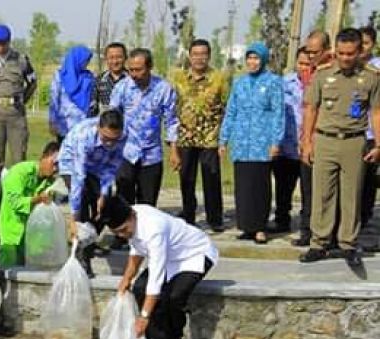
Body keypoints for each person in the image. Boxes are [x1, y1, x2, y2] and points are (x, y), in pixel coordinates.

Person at [102, 195, 218, 339]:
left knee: (173, 297)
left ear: (132, 217)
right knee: (139, 289)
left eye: (124, 230)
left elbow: (156, 277)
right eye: (117, 233)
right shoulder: (132, 221)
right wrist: (127, 278)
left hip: (194, 254)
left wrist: (144, 317)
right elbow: (137, 251)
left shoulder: (153, 228)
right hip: (170, 256)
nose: (123, 235)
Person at [299, 28, 380, 266]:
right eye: (341, 53)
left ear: (359, 51)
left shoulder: (371, 77)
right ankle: (319, 243)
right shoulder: (323, 74)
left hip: (354, 141)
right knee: (322, 193)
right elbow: (310, 109)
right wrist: (306, 142)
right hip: (325, 140)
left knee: (351, 194)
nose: (345, 58)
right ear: (335, 51)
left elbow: (376, 112)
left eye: (350, 53)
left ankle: (347, 244)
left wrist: (378, 143)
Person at [219, 42, 284, 245]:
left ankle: (260, 227)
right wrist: (223, 139)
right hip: (242, 143)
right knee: (243, 187)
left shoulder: (273, 82)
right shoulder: (239, 83)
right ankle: (247, 226)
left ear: (263, 60)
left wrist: (276, 141)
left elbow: (278, 113)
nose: (252, 62)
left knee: (259, 187)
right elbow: (231, 111)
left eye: (256, 58)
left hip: (261, 142)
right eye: (249, 58)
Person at [57, 109, 129, 278]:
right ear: (98, 128)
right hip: (72, 165)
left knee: (105, 209)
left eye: (114, 140)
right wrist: (74, 217)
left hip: (100, 169)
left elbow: (112, 166)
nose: (110, 144)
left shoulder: (123, 135)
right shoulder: (84, 136)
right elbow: (78, 178)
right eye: (106, 139)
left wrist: (103, 194)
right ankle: (83, 259)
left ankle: (87, 240)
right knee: (82, 203)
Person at [110, 48, 180, 209]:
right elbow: (112, 117)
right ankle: (124, 234)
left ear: (150, 67)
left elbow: (171, 121)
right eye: (131, 70)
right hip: (126, 152)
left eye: (138, 70)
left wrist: (174, 150)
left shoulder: (163, 89)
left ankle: (144, 234)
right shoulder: (122, 87)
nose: (134, 74)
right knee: (124, 201)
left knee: (147, 204)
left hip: (151, 154)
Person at [171, 39, 228, 232]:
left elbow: (227, 106)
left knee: (211, 179)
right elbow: (172, 107)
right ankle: (188, 214)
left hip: (210, 138)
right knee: (186, 178)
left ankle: (215, 218)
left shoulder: (219, 78)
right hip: (185, 137)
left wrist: (224, 138)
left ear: (209, 56)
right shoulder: (178, 78)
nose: (199, 58)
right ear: (189, 55)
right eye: (195, 54)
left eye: (203, 54)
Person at [0, 24, 38, 176]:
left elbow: (32, 82)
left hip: (16, 114)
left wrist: (22, 99)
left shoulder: (21, 60)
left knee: (19, 157)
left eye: (3, 43)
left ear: (9, 41)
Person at [295, 31, 334, 247]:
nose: (310, 57)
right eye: (308, 52)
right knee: (308, 189)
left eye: (315, 52)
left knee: (328, 191)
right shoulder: (308, 74)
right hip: (309, 139)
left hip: (330, 138)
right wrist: (306, 140)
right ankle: (306, 230)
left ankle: (329, 234)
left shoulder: (336, 72)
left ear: (327, 50)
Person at [0, 141, 60, 267]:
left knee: (26, 270)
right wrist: (37, 199)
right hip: (11, 231)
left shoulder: (51, 183)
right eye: (54, 163)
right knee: (6, 267)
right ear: (43, 157)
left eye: (60, 166)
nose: (55, 169)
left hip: (30, 235)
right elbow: (15, 202)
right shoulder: (20, 172)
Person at [272, 48, 311, 235]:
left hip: (308, 147)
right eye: (301, 63)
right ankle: (282, 220)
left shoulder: (319, 82)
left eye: (308, 64)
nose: (304, 67)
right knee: (283, 188)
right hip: (286, 144)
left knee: (308, 190)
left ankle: (307, 225)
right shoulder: (284, 83)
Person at [49, 45, 97, 143]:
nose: (87, 63)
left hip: (83, 125)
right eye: (85, 60)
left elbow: (92, 100)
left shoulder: (88, 77)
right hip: (64, 125)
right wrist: (52, 121)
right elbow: (54, 99)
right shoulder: (59, 76)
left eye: (88, 61)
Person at [360, 26, 380, 229]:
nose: (362, 48)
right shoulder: (350, 66)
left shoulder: (376, 68)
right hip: (352, 129)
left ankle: (364, 216)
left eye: (366, 43)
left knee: (368, 178)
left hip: (371, 132)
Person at [95, 42, 128, 113]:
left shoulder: (133, 79)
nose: (115, 61)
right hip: (107, 121)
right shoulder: (99, 80)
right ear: (106, 59)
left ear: (125, 58)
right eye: (111, 57)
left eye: (119, 57)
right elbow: (94, 108)